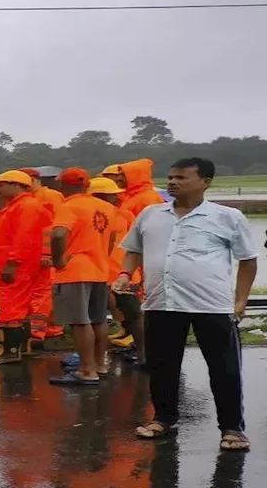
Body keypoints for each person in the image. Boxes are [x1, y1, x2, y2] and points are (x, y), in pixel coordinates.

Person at [116, 158, 259, 450]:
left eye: (181, 177)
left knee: (224, 368)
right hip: (161, 302)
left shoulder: (227, 217)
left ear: (204, 182)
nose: (172, 182)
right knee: (161, 366)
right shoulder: (150, 214)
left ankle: (232, 428)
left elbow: (247, 260)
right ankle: (163, 419)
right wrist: (124, 273)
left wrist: (240, 300)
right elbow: (132, 249)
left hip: (212, 305)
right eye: (171, 177)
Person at [47, 168, 117, 386]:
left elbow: (58, 233)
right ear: (87, 185)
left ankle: (86, 370)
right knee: (98, 318)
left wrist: (58, 259)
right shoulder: (107, 207)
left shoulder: (68, 206)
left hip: (75, 269)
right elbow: (112, 237)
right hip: (99, 268)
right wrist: (102, 257)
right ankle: (99, 365)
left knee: (80, 321)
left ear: (62, 185)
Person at [0, 170, 51, 364]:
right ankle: (22, 346)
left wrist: (12, 263)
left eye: (1, 185)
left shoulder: (26, 206)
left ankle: (9, 351)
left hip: (16, 266)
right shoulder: (17, 207)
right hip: (13, 264)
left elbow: (23, 238)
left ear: (16, 185)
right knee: (20, 308)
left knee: (10, 308)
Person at [90, 177, 145, 365]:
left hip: (117, 272)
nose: (115, 199)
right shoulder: (120, 215)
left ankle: (141, 353)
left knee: (129, 314)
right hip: (112, 271)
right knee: (124, 314)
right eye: (112, 196)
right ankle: (138, 352)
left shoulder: (123, 215)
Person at [20, 168, 65, 343]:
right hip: (35, 255)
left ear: (32, 179)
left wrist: (48, 254)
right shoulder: (30, 199)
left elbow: (55, 227)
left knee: (42, 293)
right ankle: (53, 330)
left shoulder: (50, 197)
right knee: (47, 293)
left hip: (46, 255)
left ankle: (38, 332)